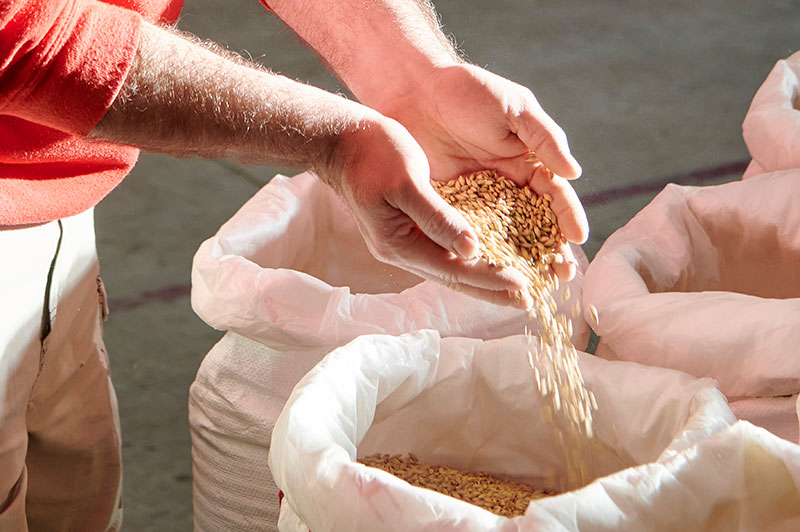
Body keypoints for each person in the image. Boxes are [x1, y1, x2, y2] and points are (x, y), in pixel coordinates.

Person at [0, 0, 587, 529]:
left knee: (72, 499)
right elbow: (21, 32)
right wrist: (334, 140)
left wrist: (414, 77)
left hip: (52, 196)